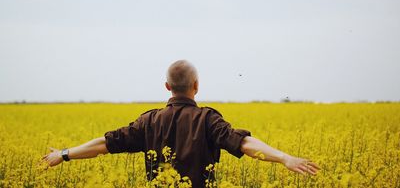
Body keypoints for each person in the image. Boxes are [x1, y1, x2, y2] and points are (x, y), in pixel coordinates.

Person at [42, 60, 320, 187]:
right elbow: (244, 143)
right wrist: (285, 158)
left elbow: (105, 144)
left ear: (167, 87)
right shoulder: (208, 119)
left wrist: (63, 154)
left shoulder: (148, 121)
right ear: (196, 86)